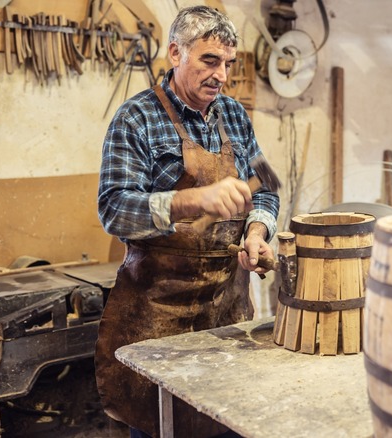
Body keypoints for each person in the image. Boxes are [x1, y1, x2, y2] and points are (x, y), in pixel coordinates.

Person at [94, 6, 279, 437]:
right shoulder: (136, 118)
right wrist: (193, 199)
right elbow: (114, 210)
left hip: (227, 313)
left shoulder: (234, 115)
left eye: (228, 63)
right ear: (175, 53)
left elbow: (266, 187)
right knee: (164, 426)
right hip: (156, 320)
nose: (222, 75)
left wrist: (256, 233)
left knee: (228, 424)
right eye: (209, 61)